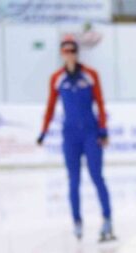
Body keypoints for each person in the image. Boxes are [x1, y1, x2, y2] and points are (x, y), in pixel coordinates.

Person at [37, 36, 114, 242]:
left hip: (90, 131)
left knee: (97, 176)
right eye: (66, 51)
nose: (69, 54)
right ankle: (77, 221)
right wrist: (43, 132)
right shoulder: (56, 78)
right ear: (62, 53)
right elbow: (51, 107)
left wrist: (103, 129)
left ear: (77, 52)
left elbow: (100, 104)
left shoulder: (90, 75)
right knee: (73, 180)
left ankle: (107, 219)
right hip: (70, 134)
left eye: (72, 50)